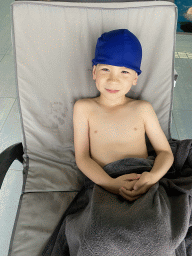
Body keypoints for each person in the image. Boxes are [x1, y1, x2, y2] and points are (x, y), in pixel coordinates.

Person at [73, 29, 174, 201]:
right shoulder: (84, 108)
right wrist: (111, 184)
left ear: (135, 78)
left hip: (142, 177)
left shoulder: (143, 108)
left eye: (124, 72)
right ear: (94, 72)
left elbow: (165, 152)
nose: (113, 80)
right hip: (105, 180)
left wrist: (152, 178)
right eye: (105, 69)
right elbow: (82, 157)